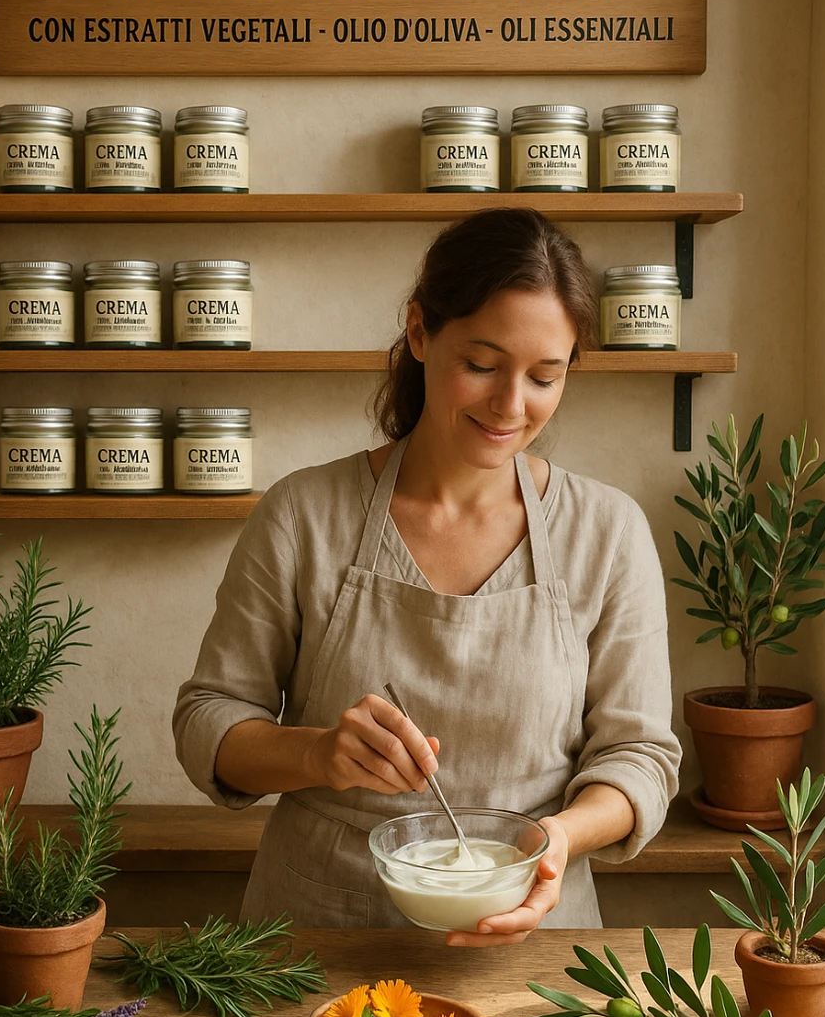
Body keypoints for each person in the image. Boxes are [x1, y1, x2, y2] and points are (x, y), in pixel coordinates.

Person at [173, 208, 680, 942]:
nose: (511, 406)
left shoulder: (608, 531)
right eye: (482, 365)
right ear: (419, 332)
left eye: (545, 376)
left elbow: (640, 757)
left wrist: (556, 840)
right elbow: (207, 722)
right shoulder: (303, 514)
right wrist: (317, 753)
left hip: (534, 933)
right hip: (321, 933)